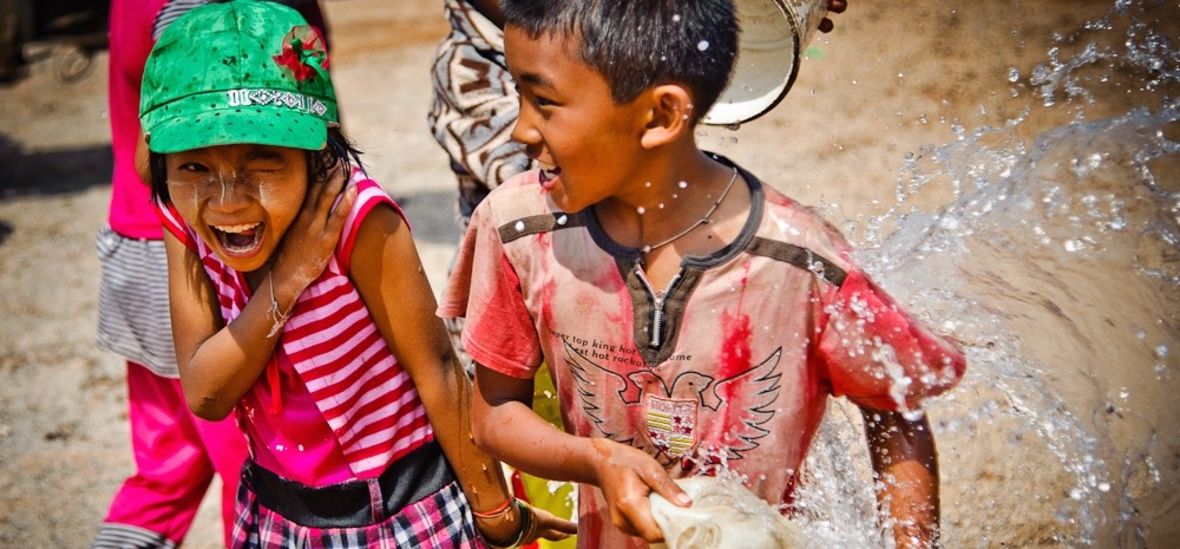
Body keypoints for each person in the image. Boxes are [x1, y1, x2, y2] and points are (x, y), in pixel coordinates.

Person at [438, 1, 965, 548]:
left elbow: (894, 409)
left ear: (662, 116)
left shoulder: (799, 261)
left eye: (543, 103)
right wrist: (597, 459)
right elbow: (495, 412)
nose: (521, 129)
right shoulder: (518, 229)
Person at [140, 1, 576, 546]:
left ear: (316, 153)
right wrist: (290, 277)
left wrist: (497, 515)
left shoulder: (357, 222)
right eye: (196, 166)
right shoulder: (181, 219)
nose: (227, 200)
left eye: (262, 160)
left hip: (404, 516)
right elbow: (206, 394)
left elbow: (438, 372)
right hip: (277, 517)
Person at [93, 2, 330, 547]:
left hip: (138, 244)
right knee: (251, 467)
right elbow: (201, 125)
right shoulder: (206, 10)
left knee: (163, 472)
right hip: (207, 256)